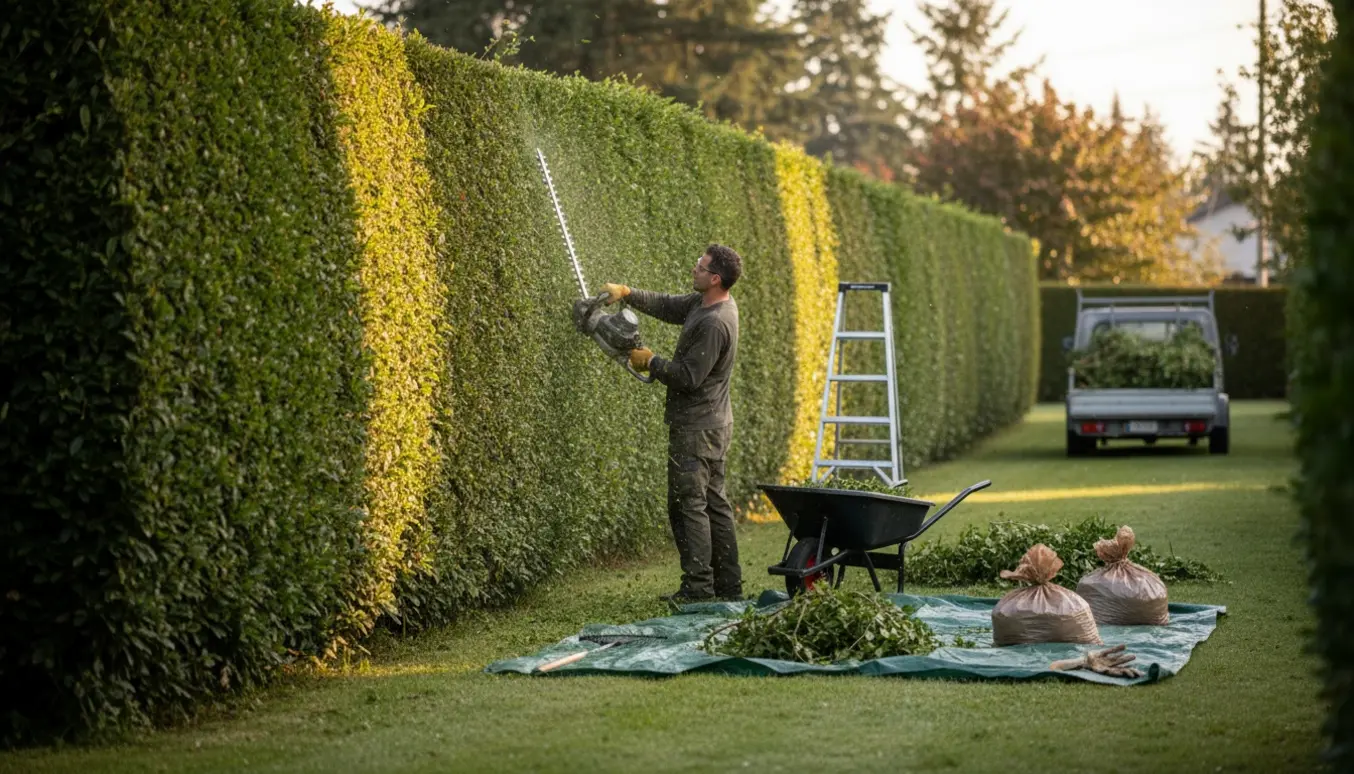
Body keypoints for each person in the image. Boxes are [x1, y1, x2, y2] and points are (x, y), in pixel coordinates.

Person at [599, 244, 743, 603]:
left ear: (714, 278)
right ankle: (727, 587)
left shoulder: (714, 322)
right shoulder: (705, 304)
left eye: (701, 265)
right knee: (713, 504)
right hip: (712, 424)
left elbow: (689, 377)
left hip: (698, 429)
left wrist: (651, 362)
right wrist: (628, 295)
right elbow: (667, 305)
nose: (694, 266)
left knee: (688, 504)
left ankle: (698, 589)